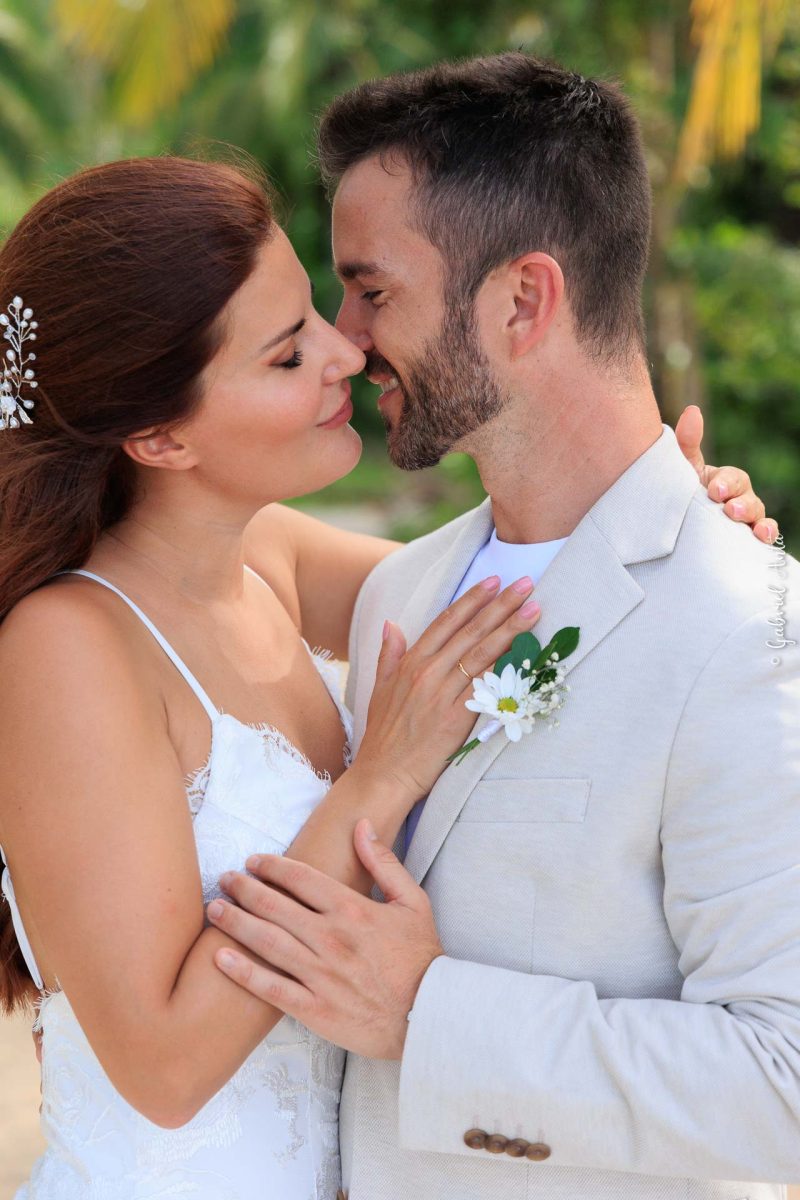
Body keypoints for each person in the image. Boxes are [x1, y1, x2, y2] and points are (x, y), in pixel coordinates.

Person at [208, 54, 800, 1200]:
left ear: (523, 300)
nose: (342, 338)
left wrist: (433, 1016)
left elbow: (783, 1087)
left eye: (372, 291)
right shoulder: (398, 595)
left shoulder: (746, 631)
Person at [0, 154, 574, 1199]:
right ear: (160, 436)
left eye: (315, 313)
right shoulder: (65, 646)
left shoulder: (269, 557)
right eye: (283, 355)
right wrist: (374, 784)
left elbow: (520, 603)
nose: (343, 355)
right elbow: (163, 1068)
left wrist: (676, 515)